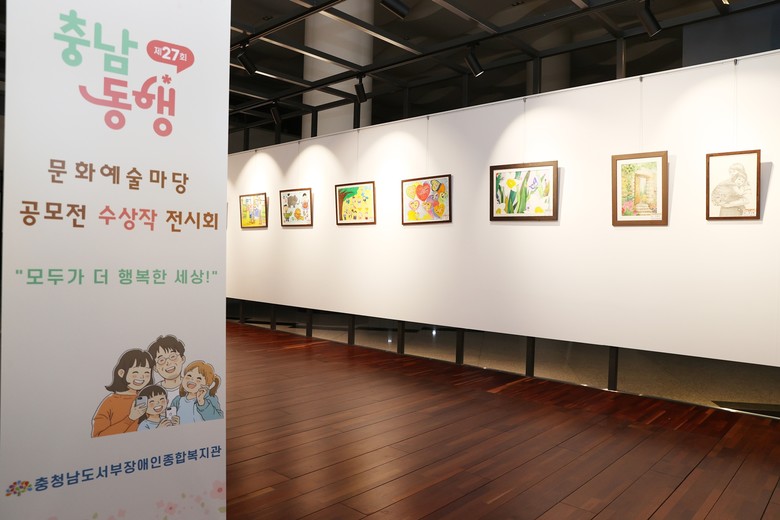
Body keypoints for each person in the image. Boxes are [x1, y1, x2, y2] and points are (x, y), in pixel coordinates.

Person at [92, 349, 153, 437]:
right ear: (121, 373)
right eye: (135, 372)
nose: (141, 377)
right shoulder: (110, 402)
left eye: (147, 372)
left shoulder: (149, 398)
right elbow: (98, 436)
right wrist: (130, 418)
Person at [147, 334, 186, 403]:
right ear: (155, 368)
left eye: (172, 356)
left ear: (182, 359)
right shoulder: (153, 392)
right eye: (161, 360)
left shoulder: (191, 386)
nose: (168, 363)